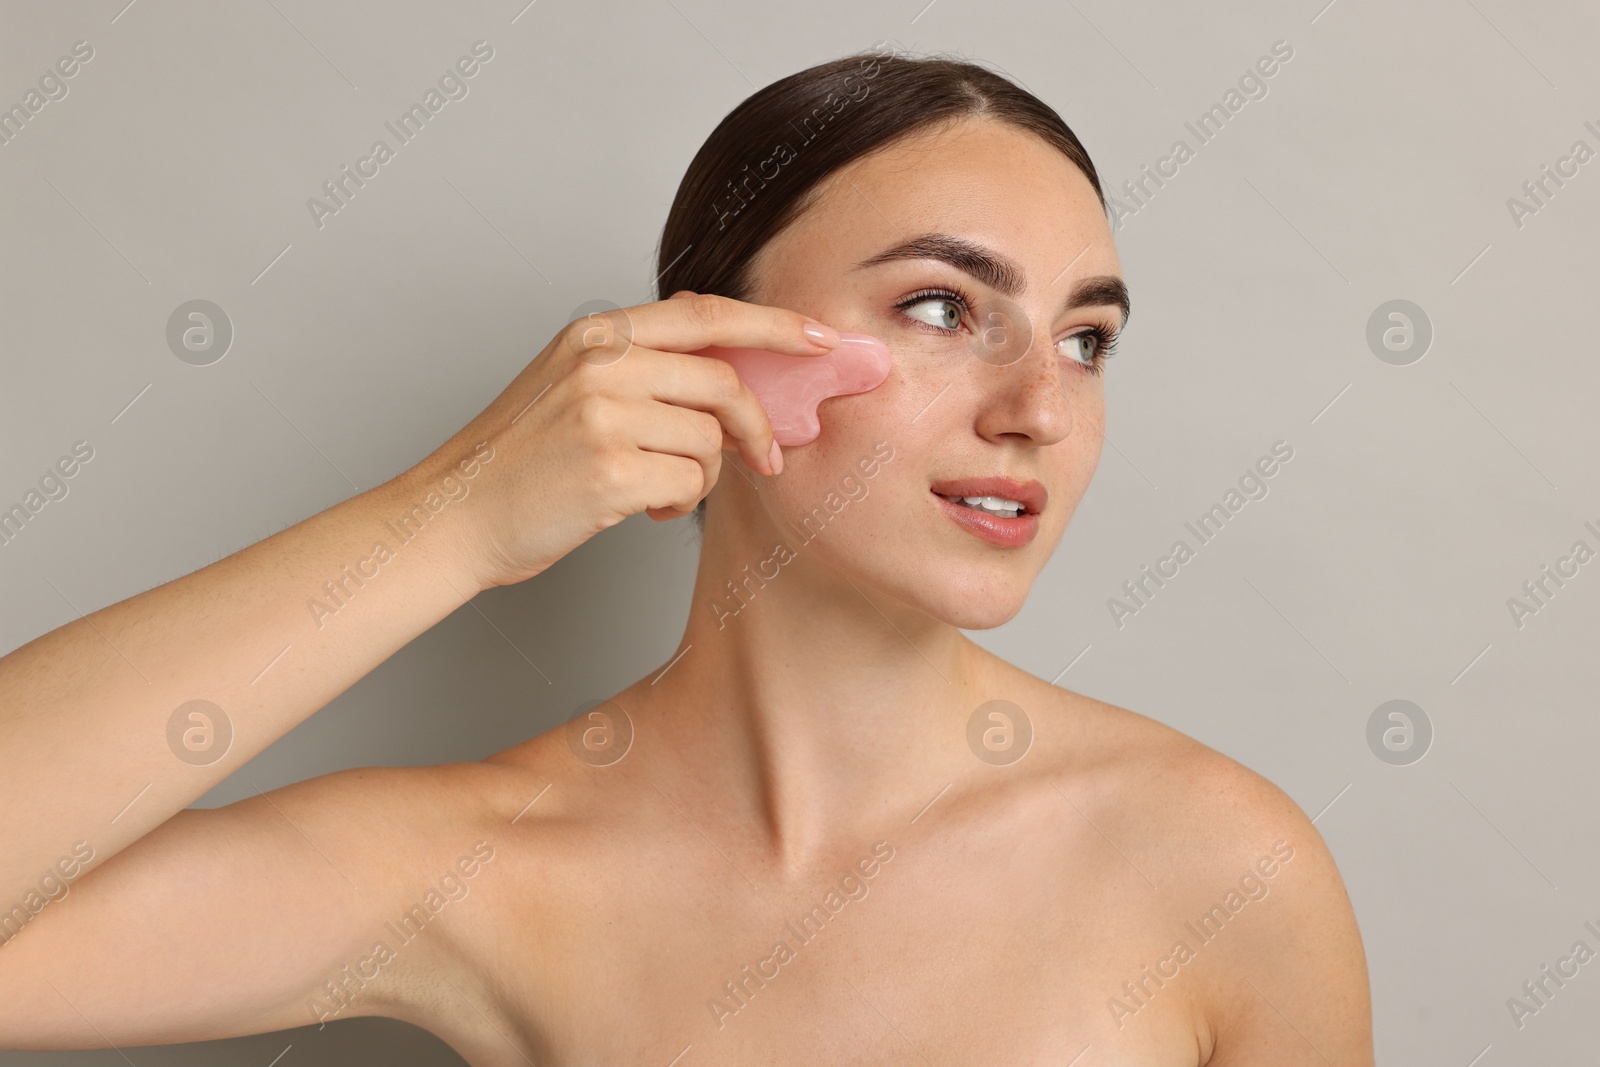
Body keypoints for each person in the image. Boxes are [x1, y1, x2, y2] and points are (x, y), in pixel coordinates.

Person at [0, 47, 1373, 1065]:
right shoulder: (488, 865)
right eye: (944, 307)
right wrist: (455, 517)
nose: (1040, 410)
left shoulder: (1216, 868)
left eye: (1088, 337)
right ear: (710, 348)